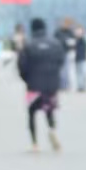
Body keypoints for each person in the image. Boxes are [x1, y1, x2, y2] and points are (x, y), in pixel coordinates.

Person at [18, 17, 64, 152]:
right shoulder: (55, 44)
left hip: (34, 85)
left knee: (32, 113)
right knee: (49, 111)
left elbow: (21, 66)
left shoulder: (28, 45)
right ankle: (52, 129)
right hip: (51, 86)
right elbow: (61, 62)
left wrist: (27, 79)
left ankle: (35, 143)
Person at [74, 24, 86, 92]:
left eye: (79, 31)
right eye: (77, 31)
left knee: (84, 73)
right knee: (78, 73)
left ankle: (84, 86)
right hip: (77, 58)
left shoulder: (85, 38)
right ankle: (80, 86)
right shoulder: (75, 39)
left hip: (84, 58)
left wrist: (83, 36)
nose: (78, 33)